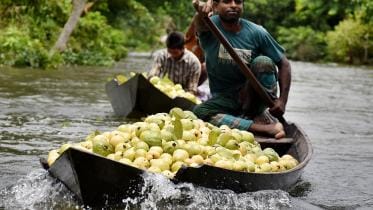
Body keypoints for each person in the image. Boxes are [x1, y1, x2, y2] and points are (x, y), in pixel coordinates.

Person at [192, 0, 292, 139]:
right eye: (226, 1)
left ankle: (254, 114)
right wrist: (200, 14)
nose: (233, 5)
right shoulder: (209, 25)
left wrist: (282, 101)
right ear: (215, 6)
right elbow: (200, 23)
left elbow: (284, 64)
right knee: (199, 112)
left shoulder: (257, 32)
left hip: (253, 98)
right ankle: (263, 128)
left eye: (238, 2)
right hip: (224, 99)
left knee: (263, 62)